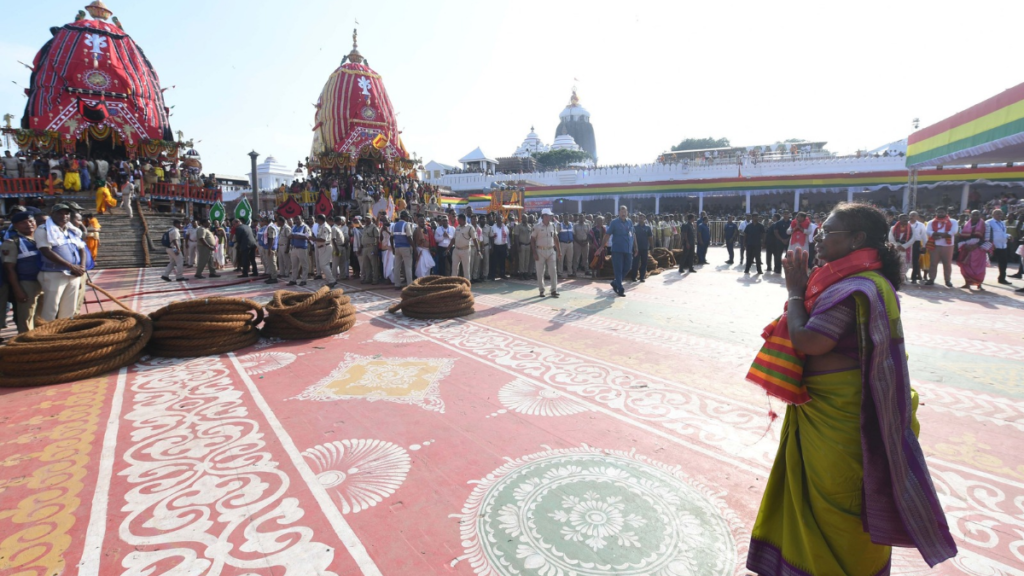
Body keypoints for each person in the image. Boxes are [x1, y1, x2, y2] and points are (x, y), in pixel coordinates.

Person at [746, 202, 957, 576]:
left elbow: (809, 341)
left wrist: (795, 292)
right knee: (822, 500)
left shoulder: (857, 286)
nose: (819, 237)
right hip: (825, 411)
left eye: (829, 231)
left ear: (857, 239)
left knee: (840, 504)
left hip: (844, 421)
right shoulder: (846, 280)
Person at [36, 203, 87, 321]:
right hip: (55, 273)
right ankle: (46, 336)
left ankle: (64, 334)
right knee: (51, 308)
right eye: (60, 213)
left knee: (70, 308)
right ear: (52, 214)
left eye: (66, 213)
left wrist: (82, 267)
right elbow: (46, 251)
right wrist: (71, 266)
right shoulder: (43, 229)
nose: (64, 216)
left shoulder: (72, 230)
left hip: (74, 274)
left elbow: (82, 249)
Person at [1, 210, 43, 333]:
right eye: (23, 223)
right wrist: (17, 290)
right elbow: (9, 269)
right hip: (27, 283)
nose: (28, 224)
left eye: (31, 221)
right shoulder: (12, 243)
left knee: (41, 316)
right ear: (15, 226)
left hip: (45, 282)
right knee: (26, 316)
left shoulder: (41, 239)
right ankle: (26, 342)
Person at [600, 205, 637, 297]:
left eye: (625, 211)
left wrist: (636, 247)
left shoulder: (630, 222)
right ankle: (620, 288)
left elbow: (633, 235)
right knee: (618, 270)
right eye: (622, 211)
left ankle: (615, 282)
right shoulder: (614, 222)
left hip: (628, 250)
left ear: (627, 212)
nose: (623, 213)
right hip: (617, 250)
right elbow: (607, 235)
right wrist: (601, 246)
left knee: (628, 267)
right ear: (619, 212)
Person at [955, 210, 991, 290]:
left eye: (977, 214)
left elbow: (987, 238)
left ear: (980, 215)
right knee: (965, 266)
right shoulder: (965, 224)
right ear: (970, 215)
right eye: (973, 215)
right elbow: (961, 236)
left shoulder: (986, 225)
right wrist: (965, 245)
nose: (975, 216)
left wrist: (977, 245)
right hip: (966, 248)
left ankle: (979, 284)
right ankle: (967, 283)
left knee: (979, 267)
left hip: (979, 249)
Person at [925, 206, 958, 287]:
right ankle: (931, 279)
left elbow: (954, 231)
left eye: (942, 212)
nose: (940, 214)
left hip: (947, 246)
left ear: (946, 213)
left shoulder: (953, 221)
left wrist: (942, 235)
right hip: (935, 245)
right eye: (938, 212)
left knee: (947, 264)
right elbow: (928, 231)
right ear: (936, 213)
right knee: (933, 263)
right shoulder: (931, 222)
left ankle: (947, 280)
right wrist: (935, 234)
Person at [531, 209, 560, 297]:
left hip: (551, 250)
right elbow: (532, 239)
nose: (550, 217)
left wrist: (559, 251)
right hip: (540, 251)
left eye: (550, 215)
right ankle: (541, 290)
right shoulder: (537, 227)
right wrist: (534, 253)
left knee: (553, 271)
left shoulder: (553, 226)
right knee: (540, 272)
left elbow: (555, 238)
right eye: (548, 215)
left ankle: (554, 290)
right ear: (544, 216)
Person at [451, 213, 480, 281]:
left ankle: (467, 284)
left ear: (463, 220)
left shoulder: (470, 228)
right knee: (454, 268)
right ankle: (453, 283)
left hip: (465, 250)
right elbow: (453, 239)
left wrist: (478, 250)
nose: (458, 221)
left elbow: (474, 239)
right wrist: (448, 248)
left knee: (466, 269)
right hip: (456, 250)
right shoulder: (457, 227)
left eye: (459, 220)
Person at [986, 209, 1012, 286]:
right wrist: (990, 243)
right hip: (992, 246)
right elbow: (987, 234)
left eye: (1001, 214)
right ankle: (977, 277)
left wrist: (1009, 236)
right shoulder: (989, 222)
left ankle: (1002, 278)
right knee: (984, 262)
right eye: (997, 214)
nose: (999, 215)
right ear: (993, 215)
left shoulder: (1002, 223)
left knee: (1003, 262)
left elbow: (1002, 233)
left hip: (1002, 245)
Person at [391, 211, 415, 288]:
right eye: (407, 217)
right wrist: (414, 248)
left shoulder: (394, 225)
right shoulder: (406, 224)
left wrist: (392, 248)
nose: (408, 218)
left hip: (397, 248)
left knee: (397, 267)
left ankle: (397, 284)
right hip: (405, 248)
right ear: (405, 217)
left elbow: (391, 238)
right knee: (408, 267)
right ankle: (409, 284)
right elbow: (409, 237)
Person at [889, 213, 914, 282]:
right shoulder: (893, 228)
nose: (905, 219)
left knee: (906, 264)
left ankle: (902, 278)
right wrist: (897, 246)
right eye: (903, 218)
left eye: (906, 218)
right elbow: (890, 238)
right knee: (896, 263)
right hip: (896, 249)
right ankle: (898, 278)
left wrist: (904, 246)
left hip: (906, 249)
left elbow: (913, 238)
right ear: (899, 219)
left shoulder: (912, 228)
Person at [288, 216, 312, 286]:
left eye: (298, 219)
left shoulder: (305, 227)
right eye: (296, 219)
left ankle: (304, 280)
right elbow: (290, 236)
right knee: (294, 265)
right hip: (294, 248)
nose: (297, 221)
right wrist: (291, 236)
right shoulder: (294, 227)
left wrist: (296, 236)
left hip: (302, 248)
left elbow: (308, 237)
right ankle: (293, 280)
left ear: (302, 219)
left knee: (304, 265)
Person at [313, 214, 336, 287]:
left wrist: (313, 239)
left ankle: (332, 280)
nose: (317, 221)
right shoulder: (321, 226)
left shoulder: (325, 227)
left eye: (317, 219)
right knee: (324, 264)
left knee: (323, 265)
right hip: (321, 247)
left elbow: (323, 239)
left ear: (320, 219)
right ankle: (331, 280)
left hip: (325, 246)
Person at [629, 212, 653, 282]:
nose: (640, 219)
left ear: (644, 219)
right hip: (636, 248)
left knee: (644, 263)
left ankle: (642, 276)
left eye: (642, 218)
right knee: (635, 263)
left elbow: (650, 238)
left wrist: (652, 246)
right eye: (639, 218)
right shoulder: (634, 227)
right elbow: (632, 237)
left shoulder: (648, 228)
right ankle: (634, 276)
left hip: (645, 248)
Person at [358, 215, 381, 284]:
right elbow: (363, 238)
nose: (366, 220)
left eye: (368, 219)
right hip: (364, 247)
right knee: (366, 264)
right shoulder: (364, 227)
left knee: (374, 264)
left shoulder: (374, 227)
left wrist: (376, 248)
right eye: (365, 219)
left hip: (371, 247)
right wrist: (360, 248)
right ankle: (368, 278)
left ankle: (375, 279)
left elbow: (377, 238)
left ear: (371, 219)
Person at [908, 211, 928, 284]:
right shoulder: (906, 224)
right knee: (905, 260)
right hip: (907, 244)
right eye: (910, 215)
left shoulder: (921, 225)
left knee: (915, 261)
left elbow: (924, 236)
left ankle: (914, 278)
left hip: (916, 243)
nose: (912, 217)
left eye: (913, 215)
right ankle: (903, 276)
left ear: (917, 217)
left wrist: (924, 246)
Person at [489, 214, 510, 280]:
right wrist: (491, 247)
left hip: (503, 246)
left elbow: (507, 237)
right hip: (495, 246)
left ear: (502, 220)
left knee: (502, 261)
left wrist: (508, 247)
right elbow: (491, 238)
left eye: (500, 219)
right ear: (496, 220)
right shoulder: (493, 227)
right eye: (498, 219)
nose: (499, 220)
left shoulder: (505, 227)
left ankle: (502, 274)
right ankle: (493, 275)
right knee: (494, 261)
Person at [262, 216, 280, 284]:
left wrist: (269, 248)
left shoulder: (271, 227)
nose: (263, 222)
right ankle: (271, 276)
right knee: (270, 263)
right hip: (269, 247)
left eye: (263, 220)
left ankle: (274, 277)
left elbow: (271, 239)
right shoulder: (270, 226)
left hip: (271, 248)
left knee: (272, 263)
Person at [332, 216, 349, 281]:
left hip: (342, 246)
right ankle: (334, 277)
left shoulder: (339, 228)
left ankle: (342, 276)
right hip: (337, 247)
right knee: (335, 262)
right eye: (340, 221)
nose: (341, 222)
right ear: (338, 221)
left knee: (342, 262)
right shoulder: (334, 228)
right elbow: (333, 239)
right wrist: (336, 249)